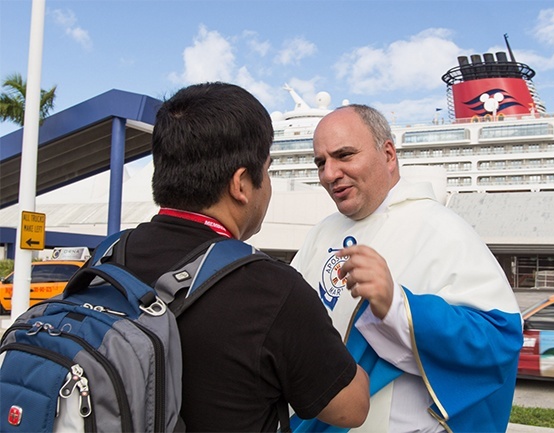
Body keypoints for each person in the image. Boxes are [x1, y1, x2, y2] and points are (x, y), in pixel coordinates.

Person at [109, 83, 369, 432]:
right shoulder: (271, 291)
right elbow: (351, 409)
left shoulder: (107, 256)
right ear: (241, 184)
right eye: (268, 169)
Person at [290, 104, 523, 432]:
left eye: (344, 155)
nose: (329, 174)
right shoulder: (321, 231)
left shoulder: (441, 229)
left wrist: (397, 306)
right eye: (321, 162)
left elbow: (498, 340)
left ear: (387, 154)